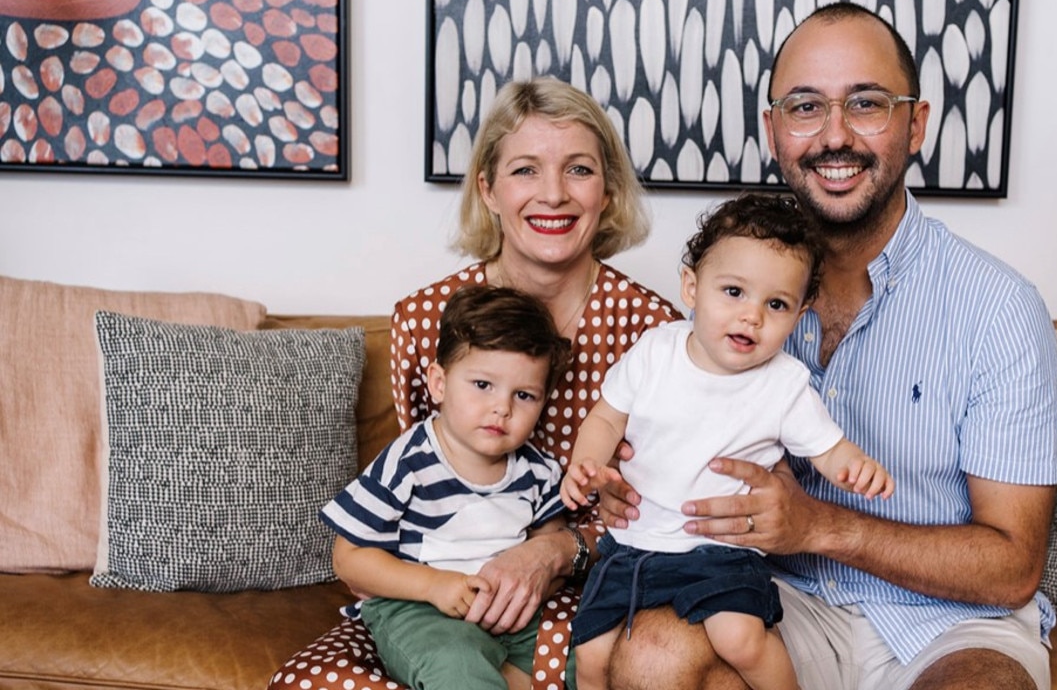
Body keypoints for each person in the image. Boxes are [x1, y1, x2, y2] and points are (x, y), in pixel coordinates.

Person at [599, 2, 1057, 690]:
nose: (834, 135)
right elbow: (659, 442)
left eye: (867, 103)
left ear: (917, 124)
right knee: (653, 656)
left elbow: (1012, 567)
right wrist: (635, 492)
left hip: (951, 621)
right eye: (806, 106)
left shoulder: (999, 309)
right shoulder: (730, 303)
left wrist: (819, 525)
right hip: (769, 596)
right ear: (774, 129)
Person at [269, 76, 680, 690]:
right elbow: (425, 485)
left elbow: (664, 508)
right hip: (433, 597)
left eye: (578, 170)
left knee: (611, 669)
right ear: (487, 188)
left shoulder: (656, 334)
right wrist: (440, 590)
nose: (553, 195)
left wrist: (554, 552)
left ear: (609, 189)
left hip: (583, 590)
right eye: (524, 170)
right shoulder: (425, 319)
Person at [559, 194, 895, 690]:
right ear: (692, 288)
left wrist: (856, 467)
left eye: (776, 304)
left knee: (739, 638)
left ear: (800, 313)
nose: (751, 316)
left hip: (720, 551)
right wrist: (585, 462)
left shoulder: (784, 383)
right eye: (734, 291)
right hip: (633, 544)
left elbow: (827, 448)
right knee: (590, 655)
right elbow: (606, 418)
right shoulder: (655, 352)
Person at [321, 286, 573, 689]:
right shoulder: (409, 462)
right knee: (457, 666)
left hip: (508, 610)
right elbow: (348, 557)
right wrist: (435, 585)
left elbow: (549, 542)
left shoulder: (537, 470)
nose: (502, 408)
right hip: (419, 607)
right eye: (482, 385)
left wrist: (527, 591)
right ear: (438, 383)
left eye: (524, 395)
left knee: (584, 655)